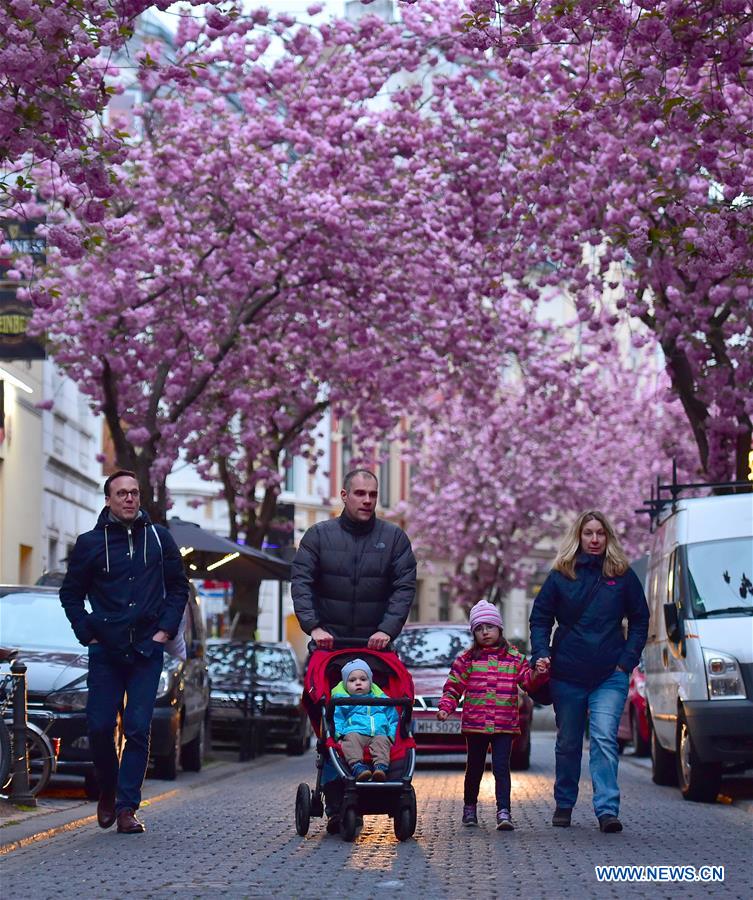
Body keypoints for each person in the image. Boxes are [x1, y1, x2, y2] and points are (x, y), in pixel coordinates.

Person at [59, 470, 189, 835]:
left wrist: (164, 631)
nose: (129, 498)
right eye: (121, 493)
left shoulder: (159, 539)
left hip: (147, 649)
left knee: (137, 728)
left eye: (134, 493)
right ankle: (108, 787)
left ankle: (127, 807)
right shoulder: (90, 543)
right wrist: (87, 633)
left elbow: (178, 588)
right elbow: (70, 594)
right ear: (108, 500)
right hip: (105, 649)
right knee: (100, 726)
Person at [529, 509, 649, 834]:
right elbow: (540, 618)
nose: (594, 539)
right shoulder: (561, 575)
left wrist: (626, 661)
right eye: (588, 533)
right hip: (567, 675)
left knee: (604, 739)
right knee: (568, 743)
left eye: (600, 533)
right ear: (578, 537)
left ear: (608, 537)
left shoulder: (622, 575)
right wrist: (541, 653)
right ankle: (564, 802)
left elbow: (640, 619)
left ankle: (607, 809)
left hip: (609, 674)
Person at [437, 600, 550, 831]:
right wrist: (446, 707)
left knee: (501, 768)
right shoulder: (467, 660)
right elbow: (454, 686)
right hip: (475, 724)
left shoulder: (514, 658)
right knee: (474, 768)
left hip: (504, 724)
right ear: (474, 633)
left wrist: (539, 674)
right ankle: (469, 808)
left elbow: (527, 682)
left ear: (499, 628)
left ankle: (504, 811)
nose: (485, 632)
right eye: (479, 628)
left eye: (489, 627)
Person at [292, 469, 416, 650]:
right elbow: (301, 583)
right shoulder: (317, 536)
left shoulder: (395, 538)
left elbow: (404, 589)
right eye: (360, 493)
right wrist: (314, 627)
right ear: (344, 495)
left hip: (376, 647)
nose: (367, 500)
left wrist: (387, 630)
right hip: (328, 645)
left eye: (373, 495)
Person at [332, 658, 398, 782]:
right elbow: (336, 718)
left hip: (379, 731)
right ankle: (358, 767)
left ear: (370, 682)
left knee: (382, 741)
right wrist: (338, 735)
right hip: (354, 730)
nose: (358, 683)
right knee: (350, 740)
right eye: (352, 680)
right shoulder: (343, 701)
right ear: (345, 685)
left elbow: (393, 718)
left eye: (363, 679)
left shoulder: (381, 700)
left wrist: (391, 735)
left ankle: (381, 768)